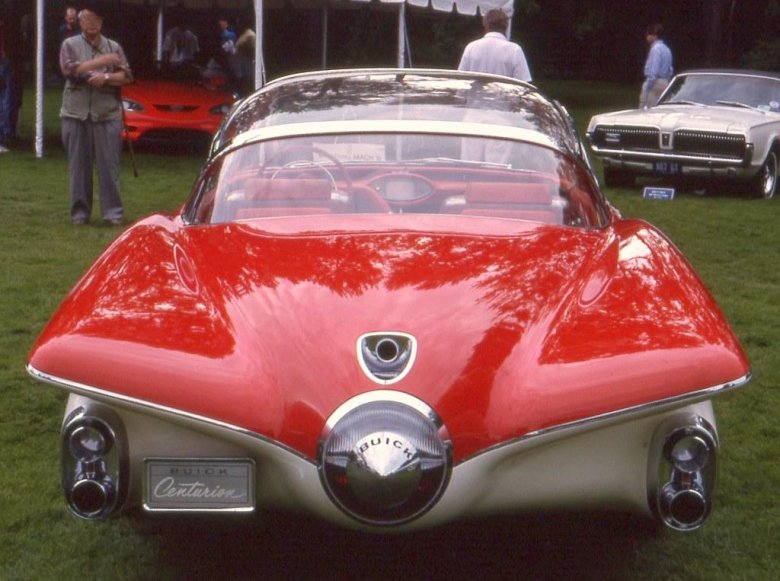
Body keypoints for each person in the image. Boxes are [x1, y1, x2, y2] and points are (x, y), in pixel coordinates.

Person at [59, 2, 132, 226]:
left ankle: (113, 214)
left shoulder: (114, 46)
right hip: (75, 114)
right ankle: (80, 214)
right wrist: (104, 62)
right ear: (80, 22)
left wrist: (107, 78)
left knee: (109, 167)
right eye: (86, 19)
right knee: (78, 168)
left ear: (101, 23)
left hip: (107, 114)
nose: (91, 23)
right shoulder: (69, 44)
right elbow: (71, 71)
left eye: (95, 19)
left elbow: (127, 76)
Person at [458, 9, 532, 82]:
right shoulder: (514, 50)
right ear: (507, 25)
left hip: (473, 94)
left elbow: (460, 80)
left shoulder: (471, 47)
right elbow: (523, 84)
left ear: (485, 23)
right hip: (504, 94)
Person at [640, 23, 673, 109]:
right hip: (665, 82)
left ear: (654, 35)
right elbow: (670, 70)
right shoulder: (667, 49)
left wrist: (648, 86)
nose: (647, 36)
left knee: (646, 111)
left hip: (654, 84)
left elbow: (653, 70)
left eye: (648, 34)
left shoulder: (655, 49)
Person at [234, 17, 256, 96]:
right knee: (243, 84)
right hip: (241, 65)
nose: (238, 25)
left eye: (240, 23)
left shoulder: (250, 35)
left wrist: (251, 59)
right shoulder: (243, 34)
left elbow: (253, 49)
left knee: (248, 85)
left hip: (247, 65)